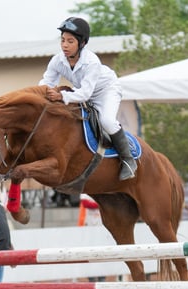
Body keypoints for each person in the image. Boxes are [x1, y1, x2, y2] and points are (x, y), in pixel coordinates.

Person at [39, 16, 137, 181]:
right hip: (84, 93)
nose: (64, 45)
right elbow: (46, 82)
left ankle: (128, 159)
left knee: (107, 121)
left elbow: (84, 94)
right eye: (62, 40)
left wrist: (61, 95)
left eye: (70, 41)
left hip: (107, 91)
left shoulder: (92, 62)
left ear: (82, 43)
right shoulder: (57, 60)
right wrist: (41, 93)